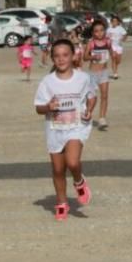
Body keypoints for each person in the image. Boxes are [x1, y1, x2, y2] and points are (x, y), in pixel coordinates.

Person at [33, 39, 96, 221]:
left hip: (76, 127)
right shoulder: (47, 82)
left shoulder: (83, 78)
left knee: (73, 162)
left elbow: (92, 97)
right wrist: (48, 107)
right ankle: (61, 202)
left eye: (65, 55)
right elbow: (38, 108)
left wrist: (89, 110)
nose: (61, 59)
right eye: (57, 56)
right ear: (52, 58)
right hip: (55, 129)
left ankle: (79, 181)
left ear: (73, 56)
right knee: (58, 169)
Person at [84, 19, 112, 130]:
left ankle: (102, 119)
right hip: (92, 74)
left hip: (104, 73)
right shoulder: (91, 44)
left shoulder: (108, 42)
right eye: (96, 31)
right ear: (93, 33)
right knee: (91, 98)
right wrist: (93, 57)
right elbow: (85, 57)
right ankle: (87, 114)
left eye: (101, 30)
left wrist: (112, 55)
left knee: (104, 96)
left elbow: (110, 51)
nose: (99, 33)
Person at [107, 15, 127, 79]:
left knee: (118, 60)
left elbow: (125, 35)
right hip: (112, 46)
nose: (114, 22)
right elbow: (106, 37)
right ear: (111, 22)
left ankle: (116, 67)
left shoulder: (120, 28)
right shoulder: (109, 29)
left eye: (116, 21)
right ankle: (115, 74)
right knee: (113, 58)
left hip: (119, 46)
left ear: (118, 22)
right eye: (113, 21)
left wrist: (123, 39)